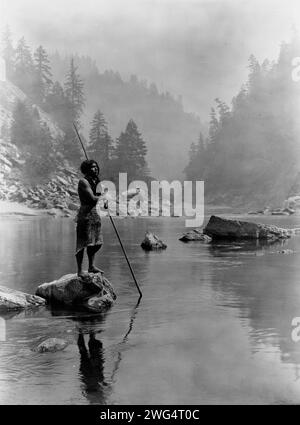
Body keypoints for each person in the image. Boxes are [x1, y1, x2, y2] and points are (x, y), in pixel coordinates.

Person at [75, 159, 106, 278]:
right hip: (85, 215)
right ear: (87, 169)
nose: (96, 169)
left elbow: (103, 203)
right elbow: (93, 199)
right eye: (93, 167)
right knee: (82, 243)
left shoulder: (96, 182)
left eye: (96, 167)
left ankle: (91, 266)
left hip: (95, 214)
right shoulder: (83, 182)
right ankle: (79, 270)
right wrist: (103, 195)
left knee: (96, 242)